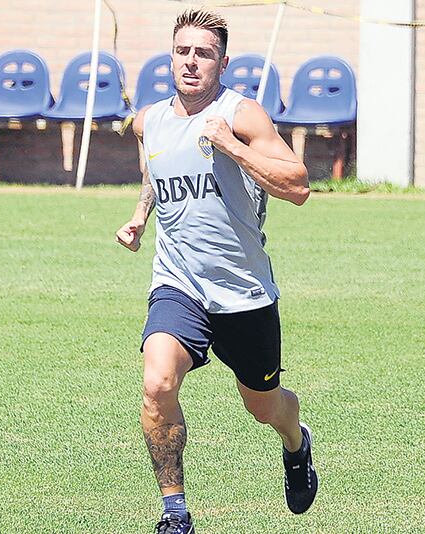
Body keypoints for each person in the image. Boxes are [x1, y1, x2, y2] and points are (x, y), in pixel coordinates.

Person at [115, 8, 315, 534]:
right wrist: (139, 218)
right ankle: (174, 510)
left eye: (203, 53)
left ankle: (297, 444)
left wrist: (230, 145)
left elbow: (297, 185)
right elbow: (155, 173)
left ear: (222, 63)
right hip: (178, 284)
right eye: (182, 51)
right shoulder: (149, 119)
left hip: (244, 293)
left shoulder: (242, 115)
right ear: (170, 57)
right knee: (157, 384)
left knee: (264, 406)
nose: (190, 61)